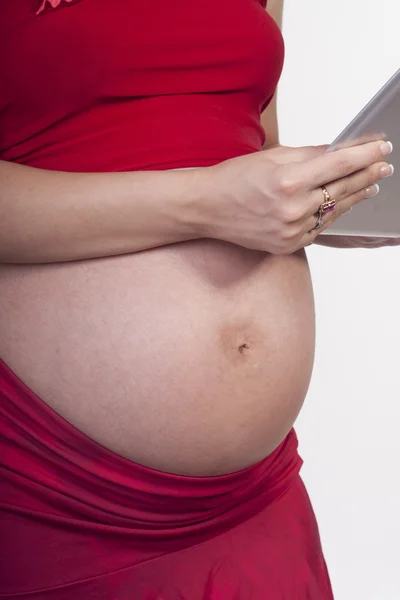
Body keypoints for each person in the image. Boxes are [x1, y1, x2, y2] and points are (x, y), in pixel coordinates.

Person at [0, 0, 397, 598]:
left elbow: (254, 142)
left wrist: (325, 201)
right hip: (56, 493)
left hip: (259, 497)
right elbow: (217, 193)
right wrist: (206, 204)